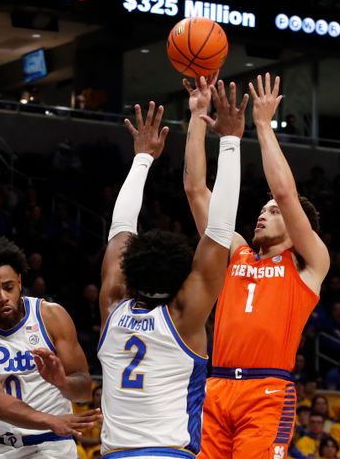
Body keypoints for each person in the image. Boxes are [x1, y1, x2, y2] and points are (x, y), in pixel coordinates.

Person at [185, 74, 330, 459]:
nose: (262, 215)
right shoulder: (236, 251)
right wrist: (198, 119)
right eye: (262, 210)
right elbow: (196, 190)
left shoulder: (308, 264)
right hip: (216, 388)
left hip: (267, 391)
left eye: (273, 213)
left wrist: (263, 125)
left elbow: (285, 192)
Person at [98, 95, 242, 458]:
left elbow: (120, 228)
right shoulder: (184, 318)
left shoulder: (113, 305)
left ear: (130, 269)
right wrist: (230, 141)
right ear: (181, 276)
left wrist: (142, 157)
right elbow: (220, 228)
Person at [0, 237, 101, 458]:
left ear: (19, 282)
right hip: (0, 447)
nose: (3, 297)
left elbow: (83, 391)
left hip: (53, 446)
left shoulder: (51, 316)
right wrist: (50, 420)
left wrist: (62, 382)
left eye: (8, 287)